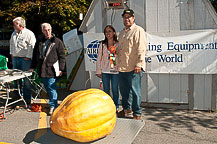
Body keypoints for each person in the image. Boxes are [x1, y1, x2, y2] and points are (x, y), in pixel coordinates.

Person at [117, 9, 147, 120]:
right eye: (125, 17)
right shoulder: (121, 33)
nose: (127, 19)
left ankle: (137, 113)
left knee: (135, 91)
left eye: (129, 17)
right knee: (124, 91)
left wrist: (139, 64)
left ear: (133, 18)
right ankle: (126, 109)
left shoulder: (138, 30)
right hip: (122, 67)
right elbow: (119, 50)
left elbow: (142, 48)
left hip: (134, 67)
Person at [30, 23, 66, 115]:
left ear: (51, 30)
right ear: (42, 31)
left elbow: (62, 56)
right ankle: (51, 103)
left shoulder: (57, 41)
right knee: (47, 87)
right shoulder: (39, 41)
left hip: (52, 69)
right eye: (45, 30)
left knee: (51, 87)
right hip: (42, 69)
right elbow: (35, 55)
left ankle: (53, 106)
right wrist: (32, 67)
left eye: (49, 30)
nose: (47, 32)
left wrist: (61, 69)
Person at [10, 17, 36, 105]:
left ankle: (27, 97)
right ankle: (17, 95)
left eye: (15, 24)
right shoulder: (14, 33)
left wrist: (28, 57)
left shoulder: (29, 34)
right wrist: (12, 54)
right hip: (16, 58)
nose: (13, 26)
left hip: (25, 59)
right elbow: (11, 44)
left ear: (20, 25)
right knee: (15, 78)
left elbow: (32, 45)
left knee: (26, 78)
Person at [96, 25, 120, 111]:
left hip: (115, 71)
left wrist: (115, 54)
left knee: (115, 89)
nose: (108, 33)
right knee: (106, 89)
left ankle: (116, 106)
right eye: (106, 31)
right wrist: (98, 70)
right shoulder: (102, 44)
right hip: (105, 70)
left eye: (110, 31)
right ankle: (107, 106)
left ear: (114, 33)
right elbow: (99, 58)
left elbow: (121, 57)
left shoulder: (118, 44)